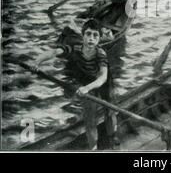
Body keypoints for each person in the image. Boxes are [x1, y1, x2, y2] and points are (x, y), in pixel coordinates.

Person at [32, 19, 118, 150]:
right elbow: (54, 52)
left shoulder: (100, 53)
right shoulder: (74, 48)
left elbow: (102, 77)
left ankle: (113, 138)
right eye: (88, 34)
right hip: (87, 85)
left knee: (109, 111)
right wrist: (37, 62)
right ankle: (93, 149)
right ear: (82, 36)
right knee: (90, 121)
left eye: (95, 35)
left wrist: (87, 88)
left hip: (104, 84)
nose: (91, 38)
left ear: (100, 39)